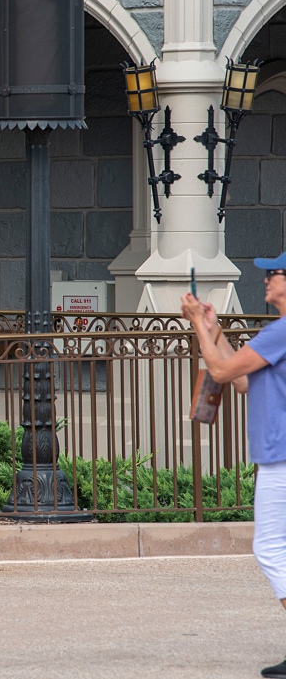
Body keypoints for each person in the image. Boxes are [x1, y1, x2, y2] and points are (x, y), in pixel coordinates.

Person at [180, 252, 286, 678]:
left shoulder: (280, 333)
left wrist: (194, 325)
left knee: (271, 550)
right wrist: (213, 330)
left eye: (273, 273)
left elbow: (221, 372)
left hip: (281, 459)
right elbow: (242, 379)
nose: (265, 279)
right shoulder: (276, 335)